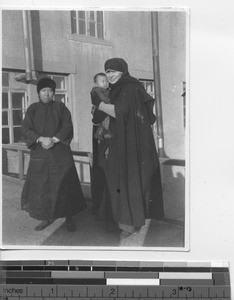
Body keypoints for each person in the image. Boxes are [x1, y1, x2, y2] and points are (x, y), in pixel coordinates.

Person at [91, 58, 164, 237]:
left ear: (123, 71)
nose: (110, 75)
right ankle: (126, 221)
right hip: (123, 141)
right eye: (107, 72)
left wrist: (99, 104)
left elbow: (119, 112)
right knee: (123, 180)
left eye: (114, 71)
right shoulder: (120, 88)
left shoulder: (129, 88)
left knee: (128, 180)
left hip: (131, 143)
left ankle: (129, 224)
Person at [21, 77, 86, 232]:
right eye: (44, 91)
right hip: (40, 154)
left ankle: (69, 218)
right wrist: (41, 138)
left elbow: (67, 126)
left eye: (50, 91)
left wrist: (54, 139)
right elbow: (25, 128)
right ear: (39, 93)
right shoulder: (33, 109)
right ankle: (46, 217)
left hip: (60, 154)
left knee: (65, 185)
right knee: (42, 186)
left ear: (54, 93)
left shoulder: (61, 107)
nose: (47, 94)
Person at [91, 73, 113, 141]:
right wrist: (110, 100)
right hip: (99, 109)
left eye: (106, 81)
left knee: (105, 120)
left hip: (103, 109)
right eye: (103, 81)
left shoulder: (106, 90)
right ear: (96, 84)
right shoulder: (97, 90)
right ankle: (105, 132)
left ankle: (100, 133)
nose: (105, 83)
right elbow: (103, 98)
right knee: (106, 119)